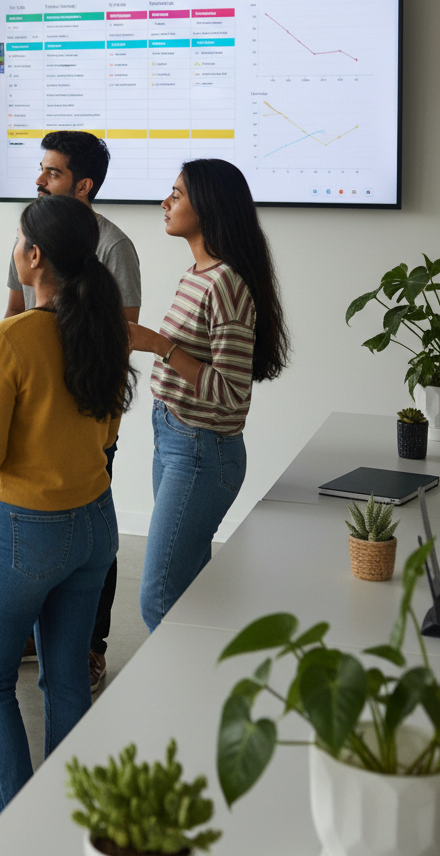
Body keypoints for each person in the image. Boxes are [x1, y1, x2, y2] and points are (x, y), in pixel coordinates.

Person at [0, 193, 135, 813]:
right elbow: (105, 437)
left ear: (34, 256)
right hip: (95, 527)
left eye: (18, 242)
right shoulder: (104, 329)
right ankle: (60, 828)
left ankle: (14, 836)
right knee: (67, 680)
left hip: (26, 532)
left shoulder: (13, 337)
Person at [4, 131, 141, 691]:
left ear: (83, 186)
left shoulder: (115, 247)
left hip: (85, 409)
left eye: (52, 173)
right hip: (32, 409)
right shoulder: (28, 234)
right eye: (41, 170)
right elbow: (14, 314)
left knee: (91, 528)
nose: (39, 181)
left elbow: (123, 334)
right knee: (37, 523)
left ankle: (89, 644)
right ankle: (40, 635)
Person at [130, 159, 289, 632]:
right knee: (189, 597)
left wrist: (158, 344)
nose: (165, 202)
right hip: (175, 439)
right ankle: (208, 698)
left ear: (209, 206)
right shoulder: (198, 273)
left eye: (176, 195)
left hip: (201, 449)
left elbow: (231, 393)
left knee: (159, 599)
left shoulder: (226, 283)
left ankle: (182, 701)